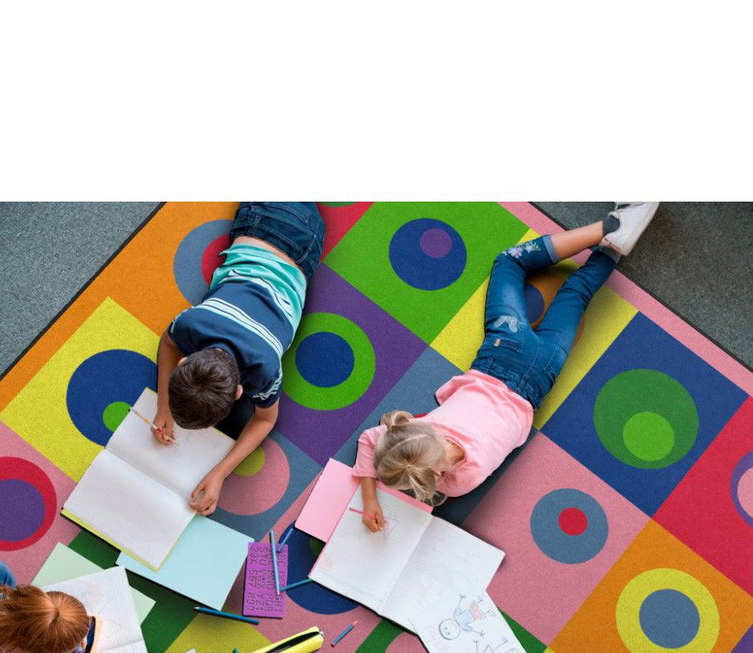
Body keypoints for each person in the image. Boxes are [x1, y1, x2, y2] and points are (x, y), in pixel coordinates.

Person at [353, 203, 660, 528]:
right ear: (411, 429)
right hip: (502, 352)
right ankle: (607, 227)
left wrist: (379, 496)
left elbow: (399, 460)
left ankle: (613, 251)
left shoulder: (460, 482)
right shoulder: (423, 428)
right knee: (509, 262)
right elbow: (370, 438)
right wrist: (368, 492)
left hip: (543, 372)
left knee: (578, 293)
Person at [152, 201, 327, 517]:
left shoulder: (265, 368)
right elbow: (168, 343)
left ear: (238, 392)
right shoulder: (193, 323)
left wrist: (220, 471)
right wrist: (163, 404)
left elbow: (265, 419)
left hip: (302, 241)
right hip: (260, 223)